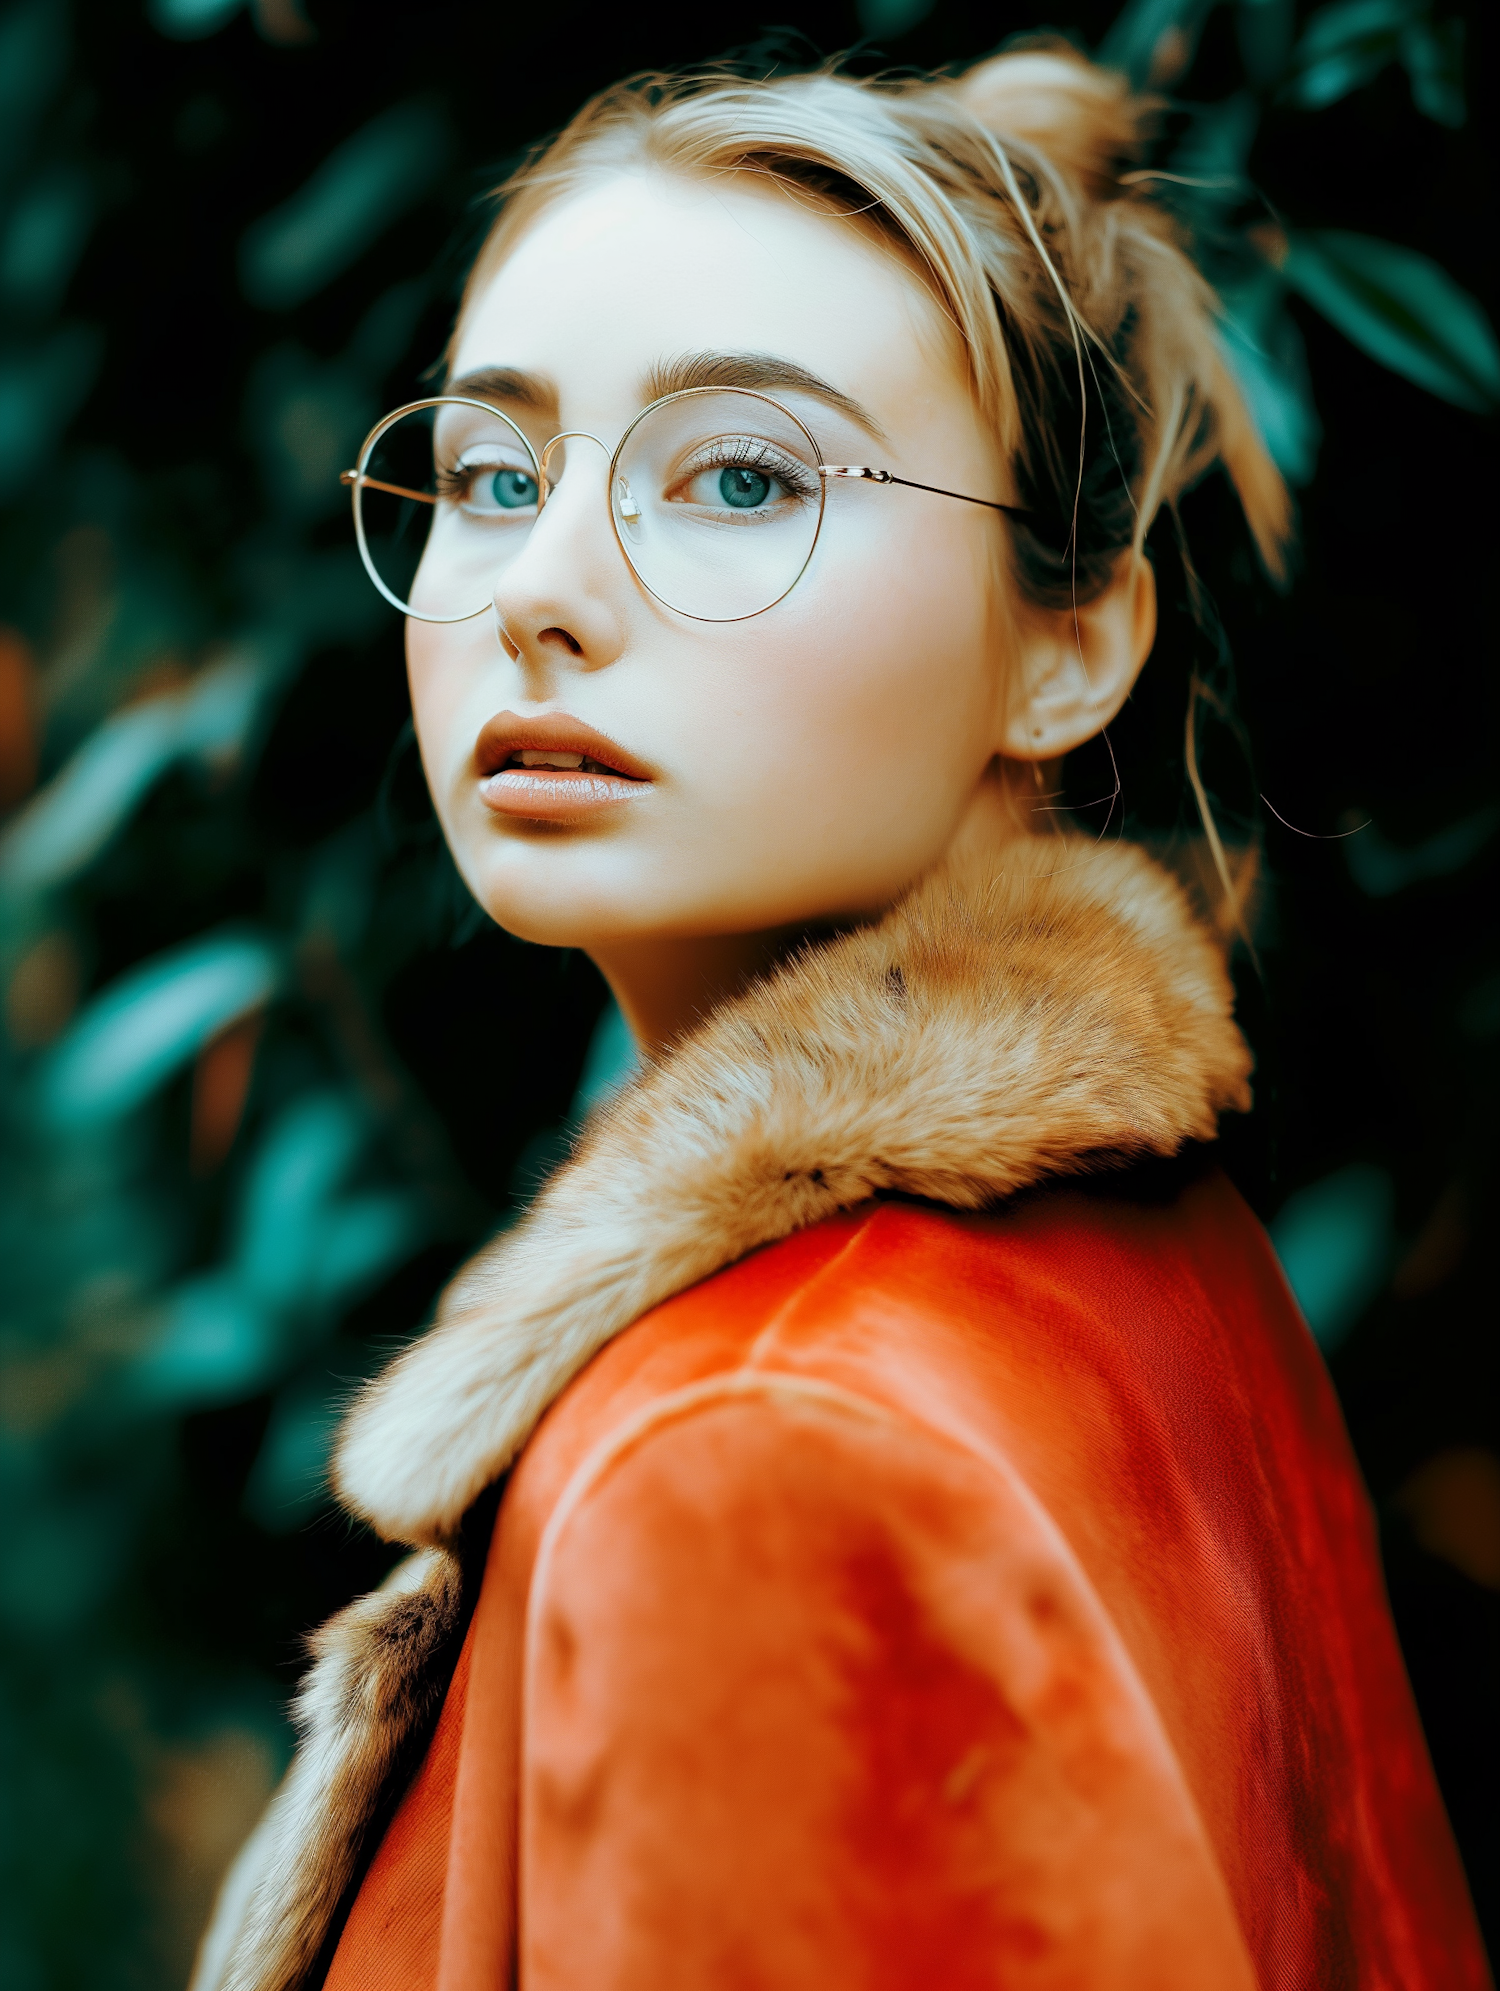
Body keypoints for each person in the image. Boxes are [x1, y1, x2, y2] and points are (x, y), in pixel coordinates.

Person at [193, 43, 1489, 1991]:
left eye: (742, 478)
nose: (541, 589)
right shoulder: (1125, 1247)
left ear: (1069, 647)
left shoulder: (761, 1444)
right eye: (492, 474)